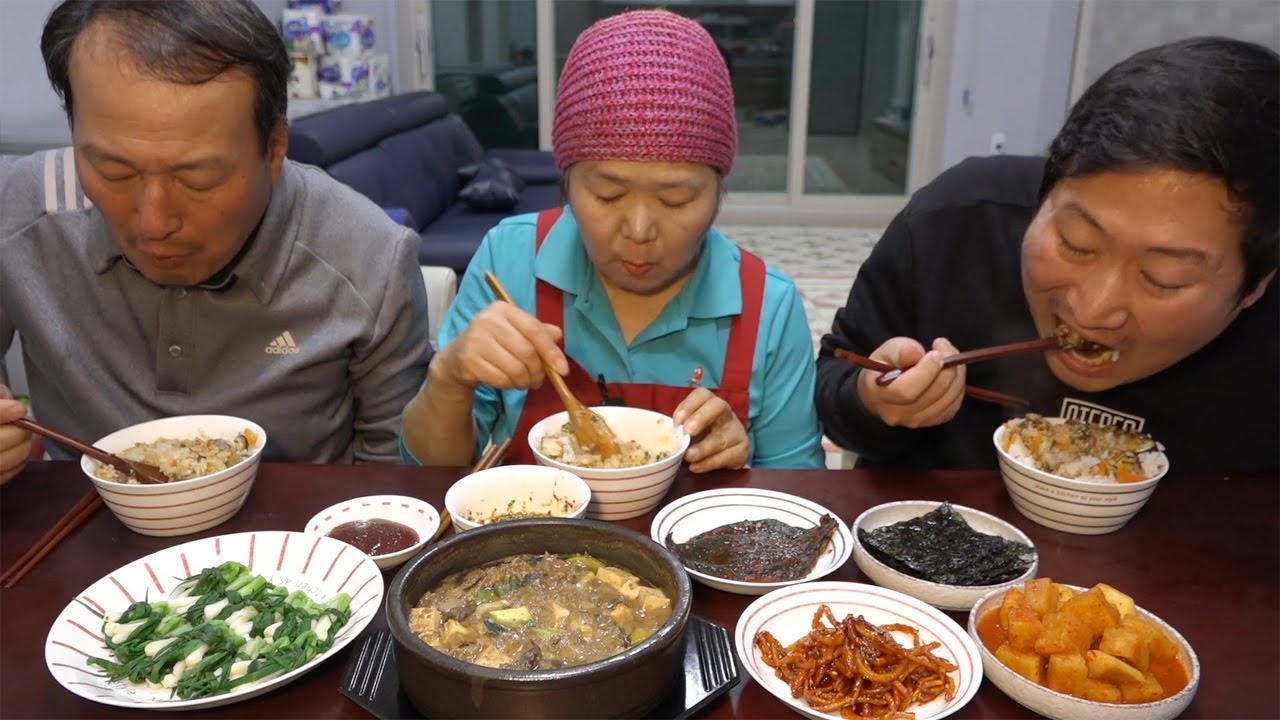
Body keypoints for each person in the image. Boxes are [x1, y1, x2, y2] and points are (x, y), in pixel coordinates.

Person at [0, 0, 434, 483]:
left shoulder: (368, 257)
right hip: (79, 517)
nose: (154, 222)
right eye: (114, 171)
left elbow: (398, 478)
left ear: (274, 149)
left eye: (199, 178)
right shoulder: (19, 210)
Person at [816, 36, 1278, 476]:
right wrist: (873, 402)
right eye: (1076, 243)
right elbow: (838, 377)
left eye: (1163, 277)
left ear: (1257, 285)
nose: (1093, 311)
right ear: (1045, 194)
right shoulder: (956, 222)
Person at [400, 10, 824, 472]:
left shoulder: (767, 304)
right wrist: (449, 378)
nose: (639, 231)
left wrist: (746, 465)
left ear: (719, 191)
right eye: (608, 195)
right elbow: (430, 472)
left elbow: (799, 483)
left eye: (676, 199)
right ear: (565, 183)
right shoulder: (511, 258)